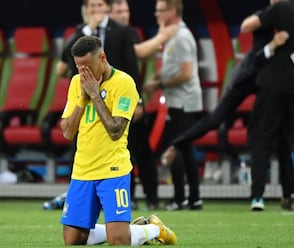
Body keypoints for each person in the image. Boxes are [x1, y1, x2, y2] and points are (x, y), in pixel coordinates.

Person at [161, 0, 294, 211]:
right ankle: (178, 142)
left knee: (281, 136)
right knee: (216, 118)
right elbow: (245, 26)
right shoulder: (266, 15)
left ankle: (287, 196)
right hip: (250, 74)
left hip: (272, 83)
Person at [59, 36, 177, 245]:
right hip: (82, 169)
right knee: (72, 239)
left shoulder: (124, 83)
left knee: (119, 241)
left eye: (86, 66)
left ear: (102, 58)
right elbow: (68, 132)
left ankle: (153, 229)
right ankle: (135, 229)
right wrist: (83, 99)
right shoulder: (77, 83)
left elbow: (115, 130)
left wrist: (95, 96)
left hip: (113, 169)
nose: (82, 72)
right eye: (78, 67)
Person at [241, 0, 294, 210]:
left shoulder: (279, 10)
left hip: (273, 84)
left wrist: (272, 38)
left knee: (262, 139)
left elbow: (246, 26)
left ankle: (257, 198)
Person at [143, 0, 203, 211]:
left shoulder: (181, 37)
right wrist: (157, 78)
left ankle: (182, 198)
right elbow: (171, 68)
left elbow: (186, 73)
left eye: (160, 10)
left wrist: (158, 84)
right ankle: (192, 198)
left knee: (177, 148)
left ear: (172, 11)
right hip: (178, 101)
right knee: (184, 149)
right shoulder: (172, 37)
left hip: (184, 103)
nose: (156, 13)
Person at [109, 0, 160, 210]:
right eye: (119, 10)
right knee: (122, 152)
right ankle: (128, 197)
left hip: (127, 100)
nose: (123, 14)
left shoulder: (128, 33)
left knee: (139, 151)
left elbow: (133, 69)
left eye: (126, 10)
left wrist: (137, 100)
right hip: (108, 102)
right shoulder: (103, 34)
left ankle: (151, 197)